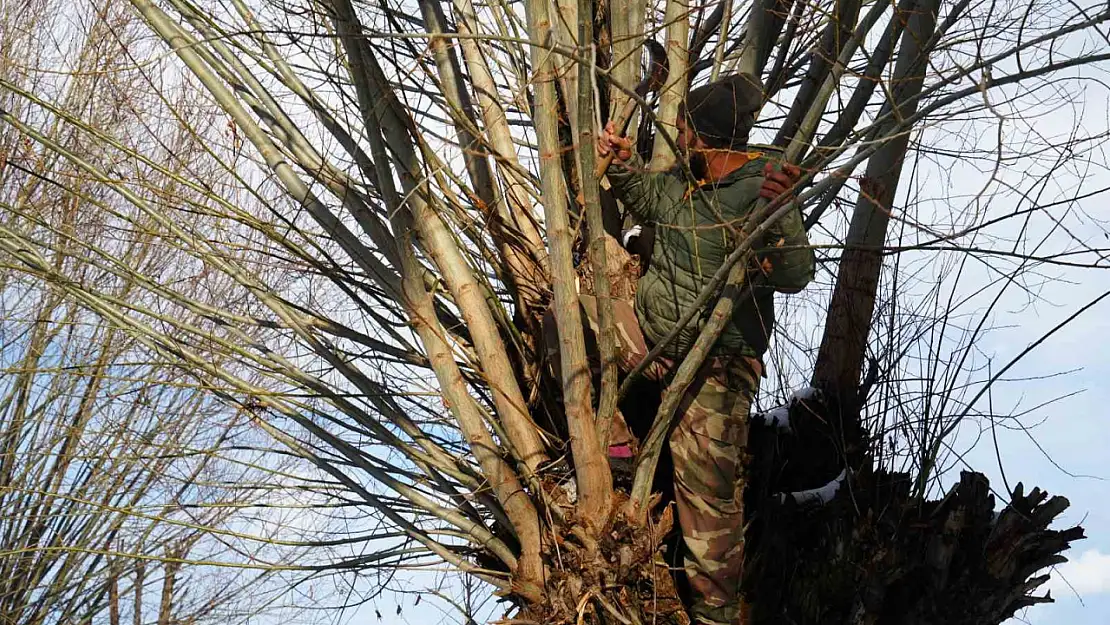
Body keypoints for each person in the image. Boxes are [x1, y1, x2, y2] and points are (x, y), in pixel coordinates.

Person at [595, 72, 815, 625]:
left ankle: (715, 618)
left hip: (715, 371)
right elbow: (645, 195)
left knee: (709, 515)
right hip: (653, 344)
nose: (676, 130)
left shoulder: (763, 184)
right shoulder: (681, 181)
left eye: (684, 123)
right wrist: (619, 160)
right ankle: (619, 447)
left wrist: (781, 210)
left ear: (697, 131)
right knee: (582, 301)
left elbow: (795, 274)